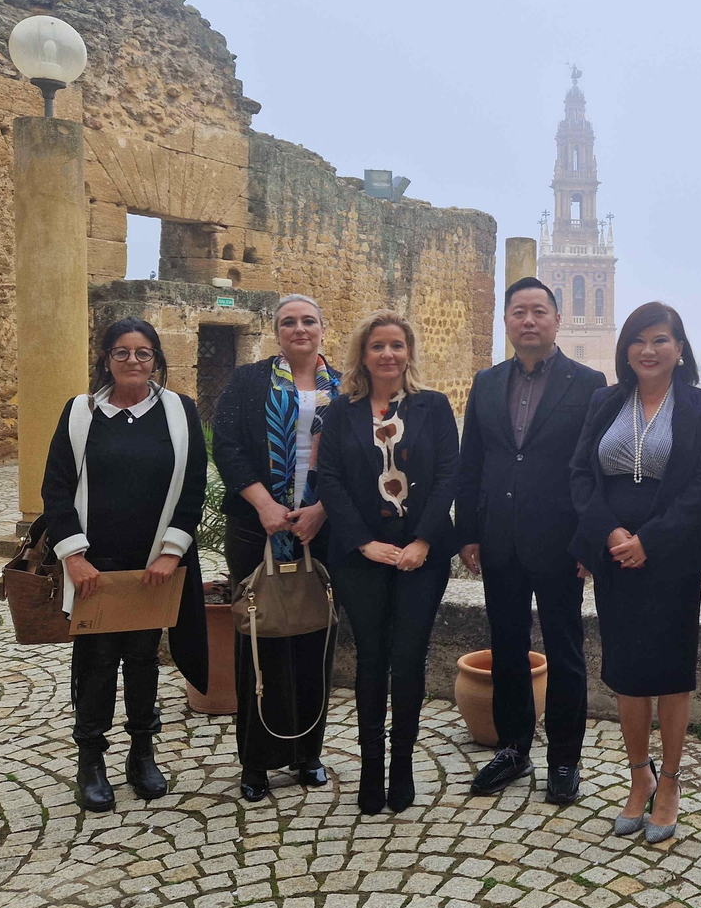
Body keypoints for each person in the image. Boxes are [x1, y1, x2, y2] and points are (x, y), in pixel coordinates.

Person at [569, 303, 701, 843]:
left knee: (671, 670)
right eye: (639, 340)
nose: (648, 349)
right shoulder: (605, 401)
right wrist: (611, 533)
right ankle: (640, 777)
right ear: (626, 349)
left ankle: (671, 782)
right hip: (614, 553)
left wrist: (649, 541)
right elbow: (580, 474)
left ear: (680, 349)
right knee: (626, 670)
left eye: (660, 340)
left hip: (673, 555)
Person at [42, 318, 209, 812]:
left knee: (142, 660)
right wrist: (74, 557)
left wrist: (172, 551)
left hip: (152, 566)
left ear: (156, 359)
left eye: (142, 353)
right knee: (95, 662)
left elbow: (193, 485)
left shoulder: (179, 411)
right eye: (121, 352)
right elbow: (56, 488)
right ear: (106, 359)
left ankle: (142, 753)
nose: (132, 361)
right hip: (96, 567)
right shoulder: (80, 413)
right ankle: (91, 761)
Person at [455, 278, 607, 803]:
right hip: (499, 538)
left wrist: (590, 540)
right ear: (506, 321)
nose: (529, 320)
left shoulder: (588, 384)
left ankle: (564, 759)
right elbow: (472, 462)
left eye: (539, 311)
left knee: (565, 650)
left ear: (557, 320)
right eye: (518, 311)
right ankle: (514, 747)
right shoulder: (486, 382)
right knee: (507, 647)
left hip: (561, 542)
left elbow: (595, 470)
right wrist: (467, 532)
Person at [319, 310, 459, 814]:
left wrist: (422, 541)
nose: (387, 354)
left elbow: (448, 476)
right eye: (377, 345)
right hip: (362, 555)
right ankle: (371, 768)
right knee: (371, 659)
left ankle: (402, 766)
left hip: (422, 554)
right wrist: (362, 543)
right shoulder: (342, 410)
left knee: (409, 657)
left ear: (409, 352)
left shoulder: (433, 406)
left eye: (396, 345)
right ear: (362, 354)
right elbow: (329, 479)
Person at [212, 294, 341, 802]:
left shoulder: (343, 389)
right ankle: (256, 760)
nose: (299, 328)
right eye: (289, 322)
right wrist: (264, 504)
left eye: (308, 320)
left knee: (314, 639)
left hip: (320, 533)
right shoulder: (249, 382)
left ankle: (308, 752)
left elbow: (355, 459)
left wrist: (322, 508)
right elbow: (227, 445)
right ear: (277, 331)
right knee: (259, 642)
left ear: (323, 328)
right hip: (256, 528)